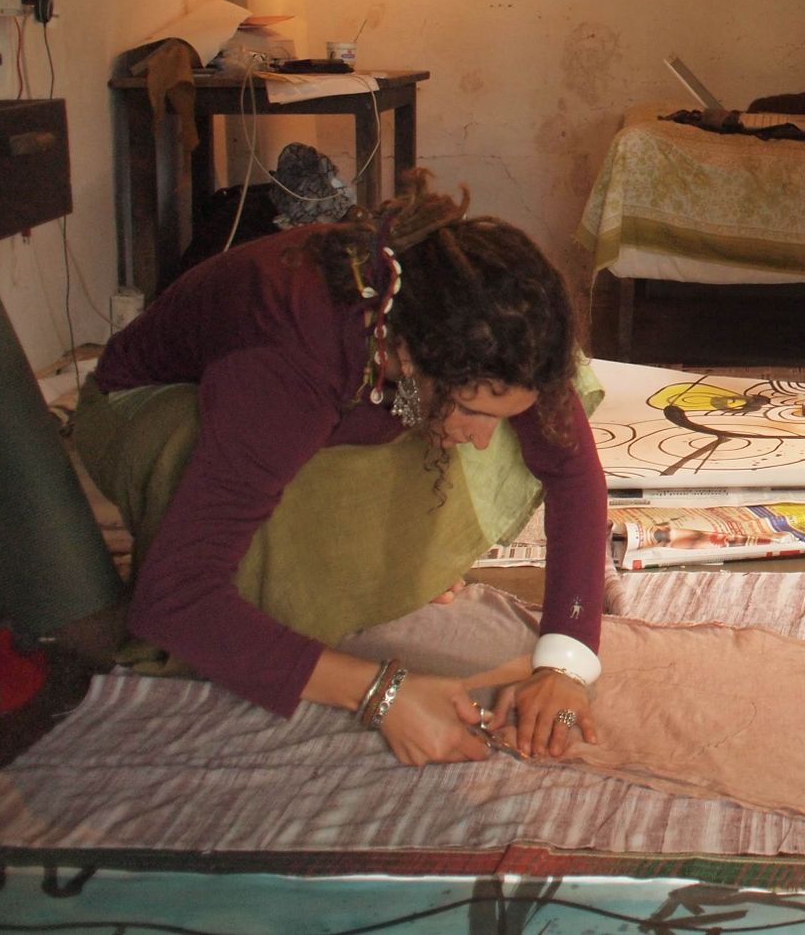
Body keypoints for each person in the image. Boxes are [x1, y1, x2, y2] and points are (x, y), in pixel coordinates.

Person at [70, 172, 608, 767]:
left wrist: (565, 662)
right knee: (260, 530)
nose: (485, 442)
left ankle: (370, 566)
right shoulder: (288, 359)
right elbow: (173, 599)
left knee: (546, 407)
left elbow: (571, 470)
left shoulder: (475, 321)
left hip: (337, 399)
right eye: (477, 413)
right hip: (149, 406)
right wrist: (382, 692)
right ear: (411, 353)